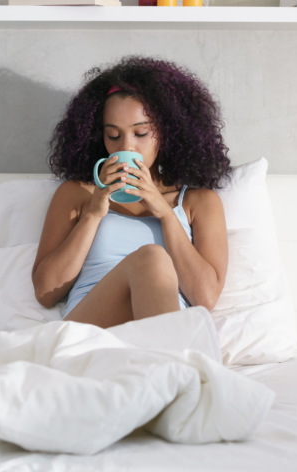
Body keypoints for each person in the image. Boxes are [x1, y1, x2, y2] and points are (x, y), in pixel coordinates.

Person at [32, 56, 230, 329]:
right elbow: (45, 292)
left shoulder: (199, 202)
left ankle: (163, 364)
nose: (127, 146)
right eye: (113, 136)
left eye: (140, 133)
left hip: (163, 329)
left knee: (153, 260)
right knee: (151, 258)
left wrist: (164, 213)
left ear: (166, 133)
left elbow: (205, 298)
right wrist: (93, 213)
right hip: (91, 331)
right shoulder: (76, 194)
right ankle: (173, 368)